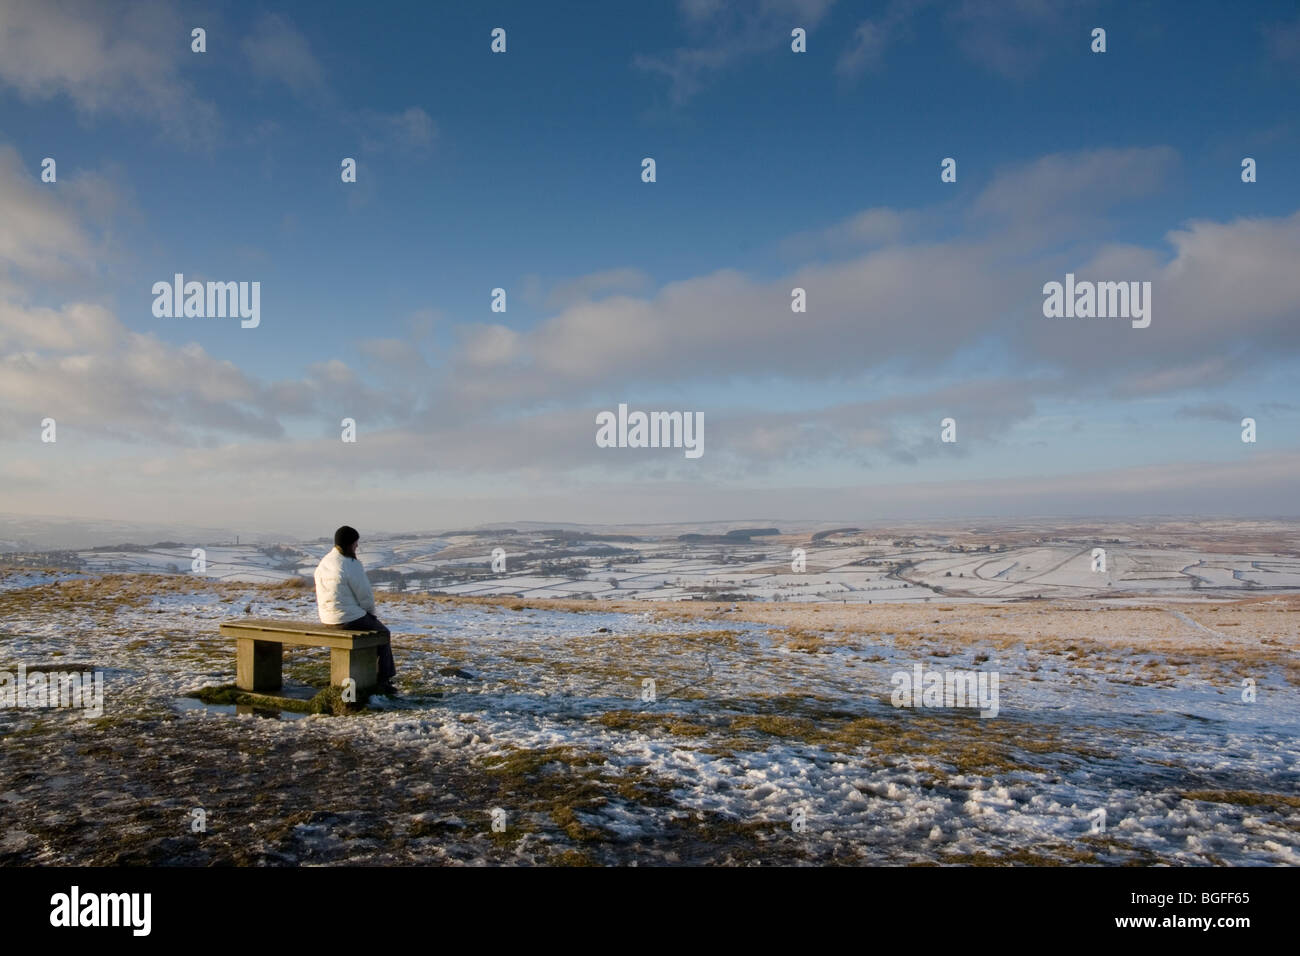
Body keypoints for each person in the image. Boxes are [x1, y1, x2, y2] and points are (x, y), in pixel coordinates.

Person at [314, 525, 397, 692]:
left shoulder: (325, 562)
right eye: (355, 543)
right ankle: (384, 679)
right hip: (348, 618)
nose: (357, 546)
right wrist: (371, 614)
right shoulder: (350, 564)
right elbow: (365, 595)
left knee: (373, 632)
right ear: (349, 544)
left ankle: (369, 675)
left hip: (327, 618)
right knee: (383, 634)